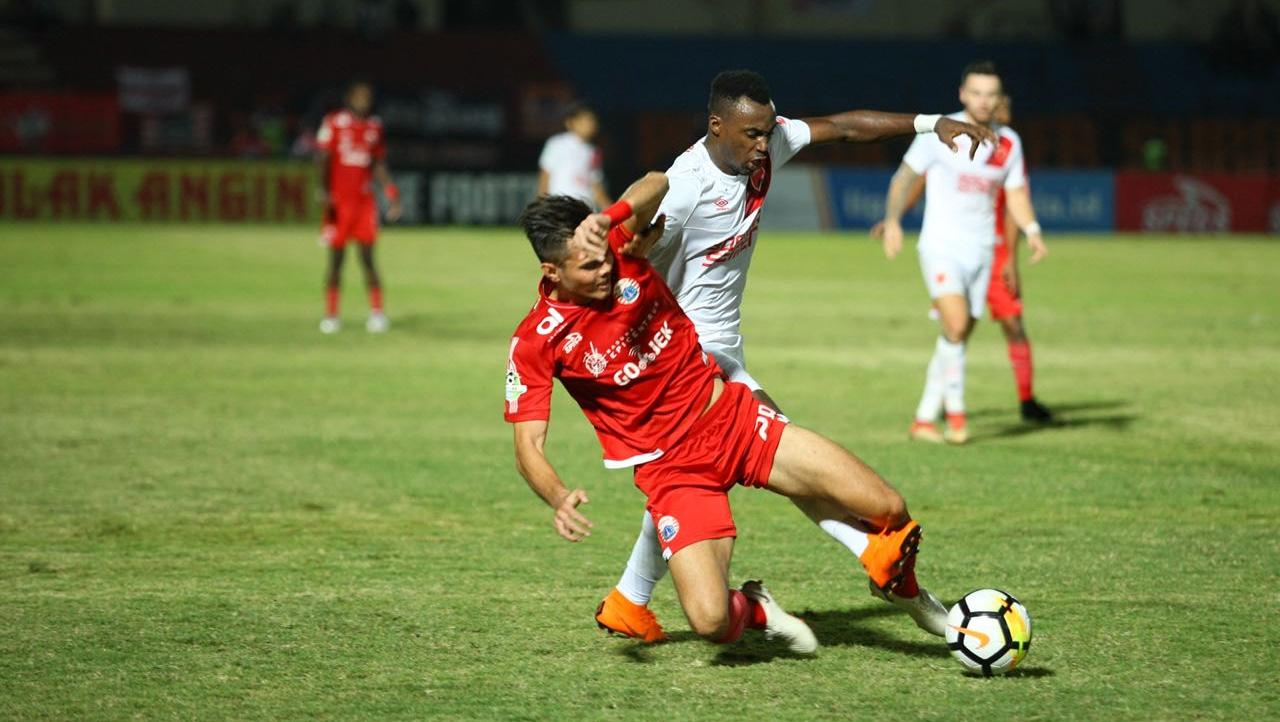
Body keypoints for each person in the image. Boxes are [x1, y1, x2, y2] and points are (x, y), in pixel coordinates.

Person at [594, 69, 995, 644]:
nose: (765, 144)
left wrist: (934, 125)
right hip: (689, 363)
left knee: (698, 473)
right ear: (717, 126)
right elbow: (632, 266)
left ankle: (629, 600)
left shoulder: (767, 143)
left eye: (766, 131)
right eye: (752, 134)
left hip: (724, 352)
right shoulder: (684, 188)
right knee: (771, 450)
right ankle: (882, 564)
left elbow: (847, 129)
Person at [506, 174, 936, 654]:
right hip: (674, 472)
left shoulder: (621, 246)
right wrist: (557, 495)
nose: (605, 269)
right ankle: (755, 607)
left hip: (733, 420)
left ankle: (896, 582)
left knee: (889, 507)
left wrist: (608, 220)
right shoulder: (535, 341)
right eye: (588, 266)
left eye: (605, 256)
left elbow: (656, 183)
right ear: (552, 274)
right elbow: (528, 446)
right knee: (711, 621)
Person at [878, 62, 1048, 444]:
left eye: (991, 94)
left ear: (998, 98)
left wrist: (1032, 229)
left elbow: (1016, 194)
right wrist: (892, 219)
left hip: (983, 251)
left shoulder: (1009, 144)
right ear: (962, 94)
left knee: (956, 335)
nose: (984, 101)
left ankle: (924, 418)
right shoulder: (940, 130)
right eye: (976, 93)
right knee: (955, 325)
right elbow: (904, 177)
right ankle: (956, 416)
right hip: (941, 245)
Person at [315, 81, 402, 334]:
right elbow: (323, 157)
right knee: (336, 260)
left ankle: (376, 313)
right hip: (339, 203)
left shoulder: (374, 127)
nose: (364, 102)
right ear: (350, 98)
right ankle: (331, 315)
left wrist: (391, 192)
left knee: (368, 259)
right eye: (360, 97)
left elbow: (378, 163)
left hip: (364, 203)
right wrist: (322, 189)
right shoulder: (334, 123)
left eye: (367, 98)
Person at [537, 102, 611, 209]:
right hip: (561, 206)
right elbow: (545, 177)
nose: (590, 124)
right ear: (570, 123)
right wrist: (542, 206)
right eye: (585, 120)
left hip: (585, 208)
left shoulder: (594, 151)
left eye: (592, 120)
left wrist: (612, 211)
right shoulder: (556, 143)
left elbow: (596, 186)